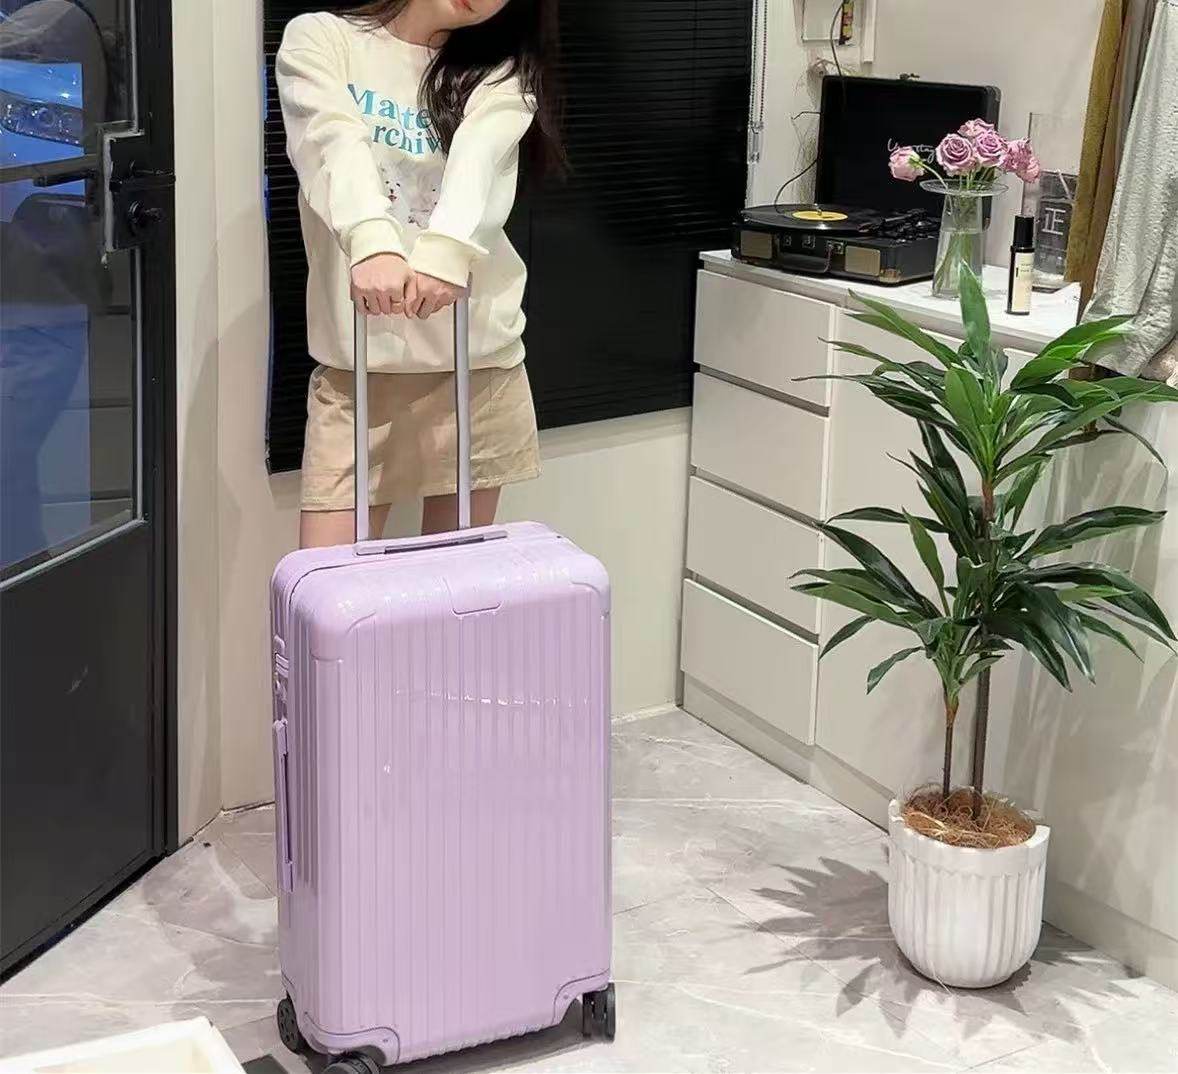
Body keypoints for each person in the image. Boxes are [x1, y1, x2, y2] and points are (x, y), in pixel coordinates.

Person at [276, 0, 561, 548]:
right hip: (360, 364)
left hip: (475, 363)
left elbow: (480, 161)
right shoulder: (321, 39)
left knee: (457, 586)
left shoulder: (502, 70)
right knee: (330, 582)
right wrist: (371, 243)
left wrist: (446, 255)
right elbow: (331, 142)